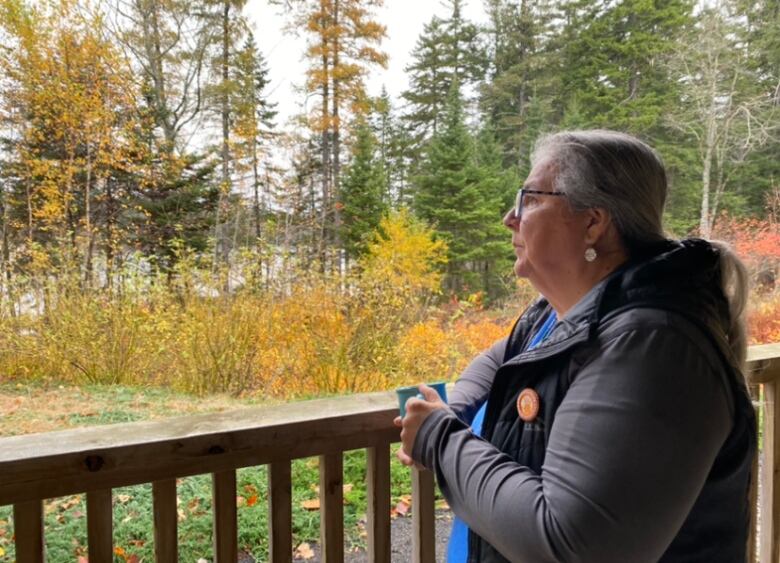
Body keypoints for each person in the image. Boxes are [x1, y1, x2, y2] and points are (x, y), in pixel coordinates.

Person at [395, 130, 757, 563]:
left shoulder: (654, 346)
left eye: (528, 198)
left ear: (593, 223)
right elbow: (501, 357)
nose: (510, 218)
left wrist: (439, 438)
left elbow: (567, 544)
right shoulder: (567, 311)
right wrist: (456, 408)